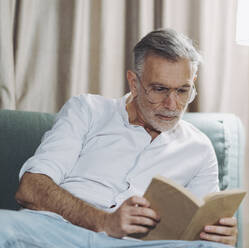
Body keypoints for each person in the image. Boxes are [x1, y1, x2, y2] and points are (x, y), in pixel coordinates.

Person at [0, 29, 237, 248]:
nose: (172, 105)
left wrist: (219, 236)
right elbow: (30, 188)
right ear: (134, 83)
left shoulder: (200, 149)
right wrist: (104, 221)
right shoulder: (88, 110)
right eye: (159, 89)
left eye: (182, 91)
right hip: (57, 232)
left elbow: (198, 227)